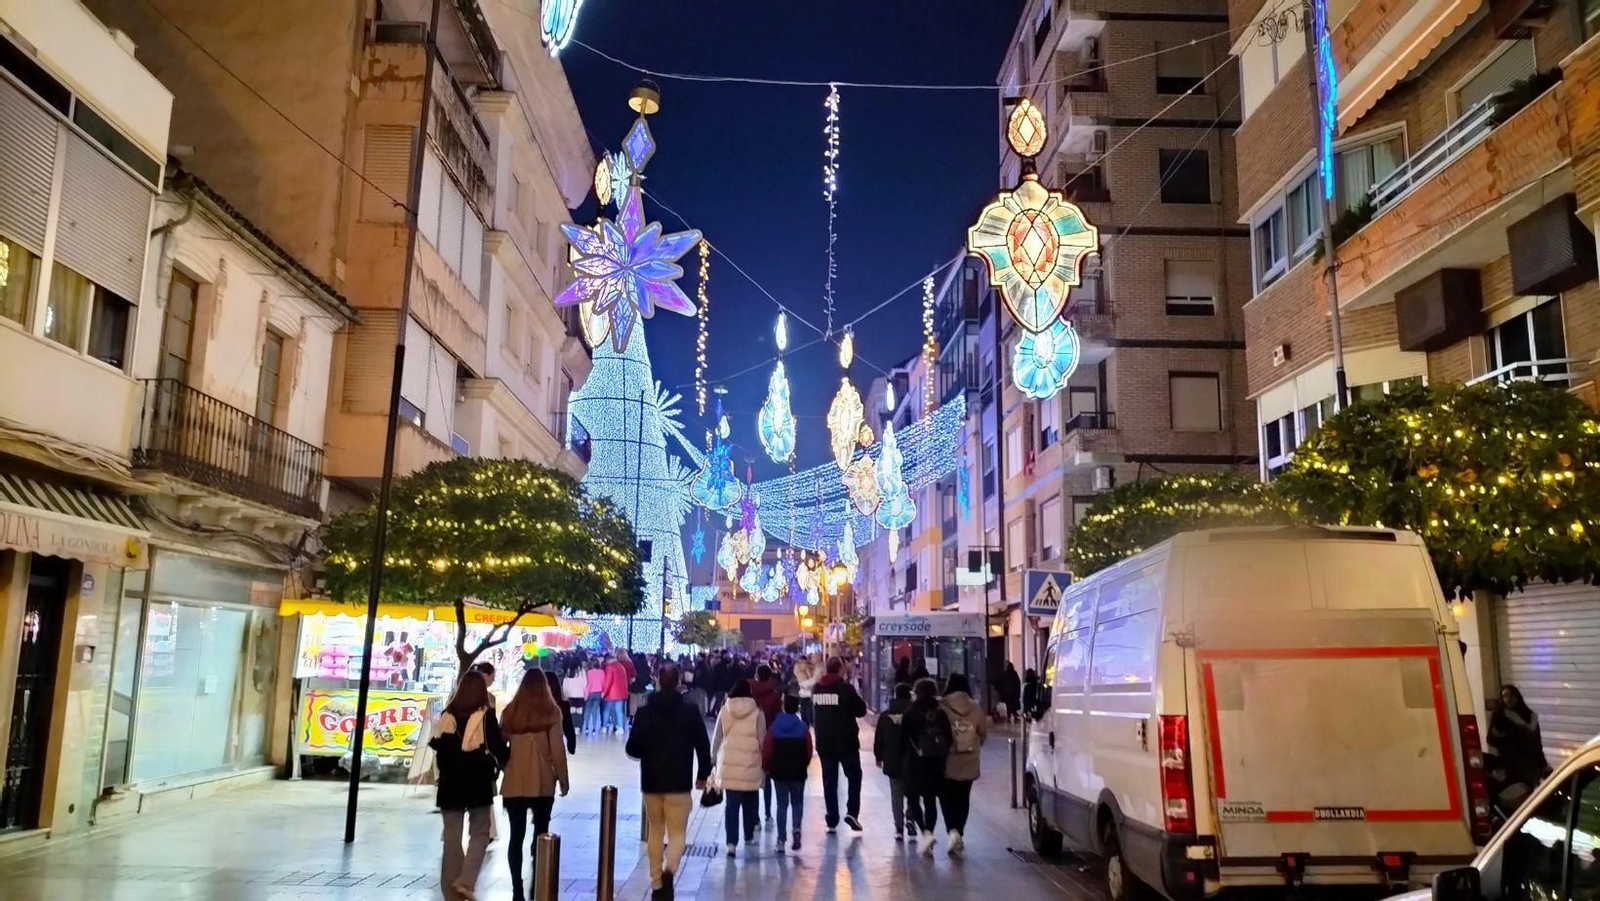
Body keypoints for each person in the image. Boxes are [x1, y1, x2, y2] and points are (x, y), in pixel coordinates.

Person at [626, 665, 711, 900]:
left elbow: (632, 748)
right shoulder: (690, 711)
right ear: (678, 682)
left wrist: (648, 748)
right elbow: (703, 745)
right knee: (677, 834)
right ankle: (669, 871)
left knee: (655, 831)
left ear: (658, 680)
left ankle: (655, 883)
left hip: (652, 781)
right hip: (679, 781)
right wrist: (703, 774)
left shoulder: (644, 712)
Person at [432, 671, 506, 901]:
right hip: (477, 781)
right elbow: (498, 749)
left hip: (450, 783)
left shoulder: (447, 716)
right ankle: (466, 881)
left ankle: (451, 893)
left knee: (452, 837)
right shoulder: (486, 716)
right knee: (480, 832)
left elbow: (440, 754)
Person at [499, 669, 569, 901]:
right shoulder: (551, 713)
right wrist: (563, 779)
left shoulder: (510, 713)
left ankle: (516, 888)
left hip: (514, 782)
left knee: (515, 836)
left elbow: (501, 745)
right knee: (541, 833)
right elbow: (558, 750)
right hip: (542, 782)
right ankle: (538, 880)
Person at [711, 679, 767, 857]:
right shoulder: (758, 712)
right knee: (750, 802)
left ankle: (731, 843)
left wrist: (712, 758)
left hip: (730, 762)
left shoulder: (724, 710)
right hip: (751, 762)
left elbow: (717, 736)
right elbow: (762, 740)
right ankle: (748, 834)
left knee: (731, 805)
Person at [811, 656, 867, 834]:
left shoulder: (817, 689)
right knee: (854, 776)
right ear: (841, 669)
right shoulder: (846, 689)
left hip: (824, 742)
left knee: (829, 780)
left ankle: (832, 817)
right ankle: (852, 812)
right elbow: (861, 711)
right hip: (846, 741)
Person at [899, 677, 951, 857]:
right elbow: (949, 740)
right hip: (936, 763)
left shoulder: (910, 713)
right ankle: (930, 829)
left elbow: (902, 741)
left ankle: (925, 833)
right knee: (930, 800)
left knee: (913, 800)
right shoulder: (941, 713)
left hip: (915, 762)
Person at [939, 674, 987, 856]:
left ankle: (951, 830)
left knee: (946, 797)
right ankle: (959, 831)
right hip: (969, 759)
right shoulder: (975, 707)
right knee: (963, 797)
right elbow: (983, 733)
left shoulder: (942, 706)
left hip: (947, 759)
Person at [763, 693, 812, 855]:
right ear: (797, 707)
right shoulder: (803, 727)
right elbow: (809, 750)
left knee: (782, 804)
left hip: (779, 771)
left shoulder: (775, 727)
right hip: (798, 770)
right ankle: (796, 830)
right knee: (797, 802)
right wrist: (804, 764)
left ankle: (781, 840)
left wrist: (767, 767)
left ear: (784, 707)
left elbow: (767, 749)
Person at [1488, 684, 1551, 807]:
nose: (1508, 698)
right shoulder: (1500, 717)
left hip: (1530, 767)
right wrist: (1504, 736)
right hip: (1510, 766)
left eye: (1511, 694)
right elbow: (1491, 739)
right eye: (1504, 696)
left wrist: (1543, 766)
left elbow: (1537, 744)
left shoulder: (1531, 717)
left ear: (1517, 696)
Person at [873, 681, 916, 842]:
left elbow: (879, 738)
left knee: (896, 794)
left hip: (892, 759)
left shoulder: (885, 715)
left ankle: (898, 828)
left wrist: (878, 756)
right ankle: (911, 818)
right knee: (913, 792)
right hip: (912, 760)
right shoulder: (914, 713)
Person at [749, 664, 782, 823]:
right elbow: (778, 718)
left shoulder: (750, 694)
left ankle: (754, 818)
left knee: (753, 779)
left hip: (751, 738)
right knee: (768, 778)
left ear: (756, 675)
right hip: (769, 739)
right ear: (769, 677)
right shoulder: (774, 695)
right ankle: (768, 813)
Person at [542, 668, 577, 755]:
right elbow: (568, 728)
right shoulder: (563, 705)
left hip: (537, 746)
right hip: (556, 745)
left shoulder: (535, 704)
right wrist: (571, 747)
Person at [602, 651, 631, 734]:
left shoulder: (609, 667)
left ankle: (604, 727)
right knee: (619, 710)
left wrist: (604, 692)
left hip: (611, 693)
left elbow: (608, 681)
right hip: (621, 692)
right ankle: (620, 727)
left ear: (608, 661)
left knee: (607, 710)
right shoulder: (621, 666)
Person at [561, 663, 588, 731]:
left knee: (572, 712)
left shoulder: (568, 672)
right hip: (580, 695)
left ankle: (572, 726)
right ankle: (578, 728)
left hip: (570, 695)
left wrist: (565, 694)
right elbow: (585, 684)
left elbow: (564, 684)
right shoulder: (582, 672)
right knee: (579, 712)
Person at [583, 659, 605, 735]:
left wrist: (586, 695)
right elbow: (603, 683)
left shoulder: (589, 672)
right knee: (595, 711)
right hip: (598, 692)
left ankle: (586, 727)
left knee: (588, 710)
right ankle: (594, 728)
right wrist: (603, 691)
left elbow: (588, 684)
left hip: (590, 692)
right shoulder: (602, 672)